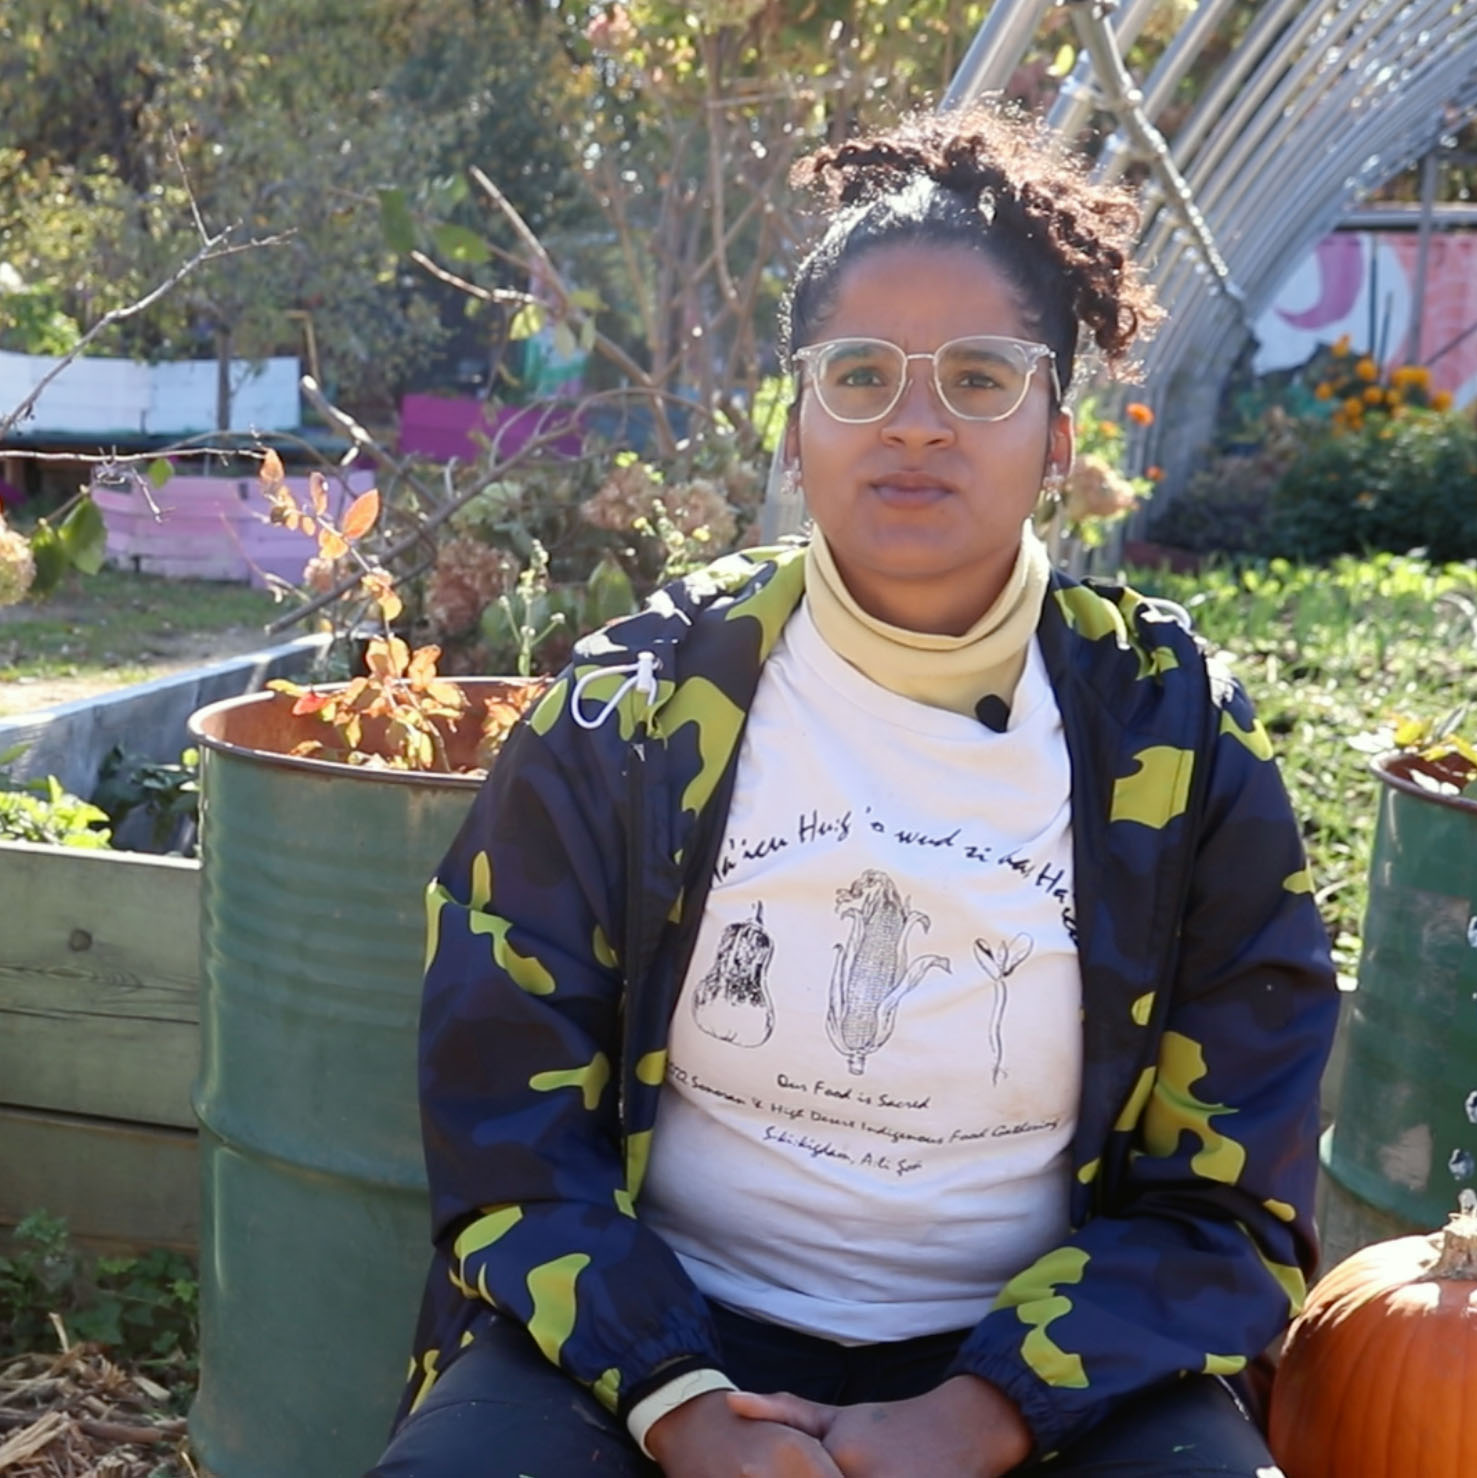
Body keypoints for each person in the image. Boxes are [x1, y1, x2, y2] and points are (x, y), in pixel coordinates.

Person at [369, 105, 1338, 1478]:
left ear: (1060, 430)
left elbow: (1225, 1193)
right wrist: (678, 1399)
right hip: (653, 1337)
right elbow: (502, 1123)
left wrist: (988, 1407)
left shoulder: (1169, 729)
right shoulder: (630, 707)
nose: (916, 425)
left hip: (1052, 1367)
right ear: (796, 418)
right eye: (862, 374)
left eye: (982, 381)